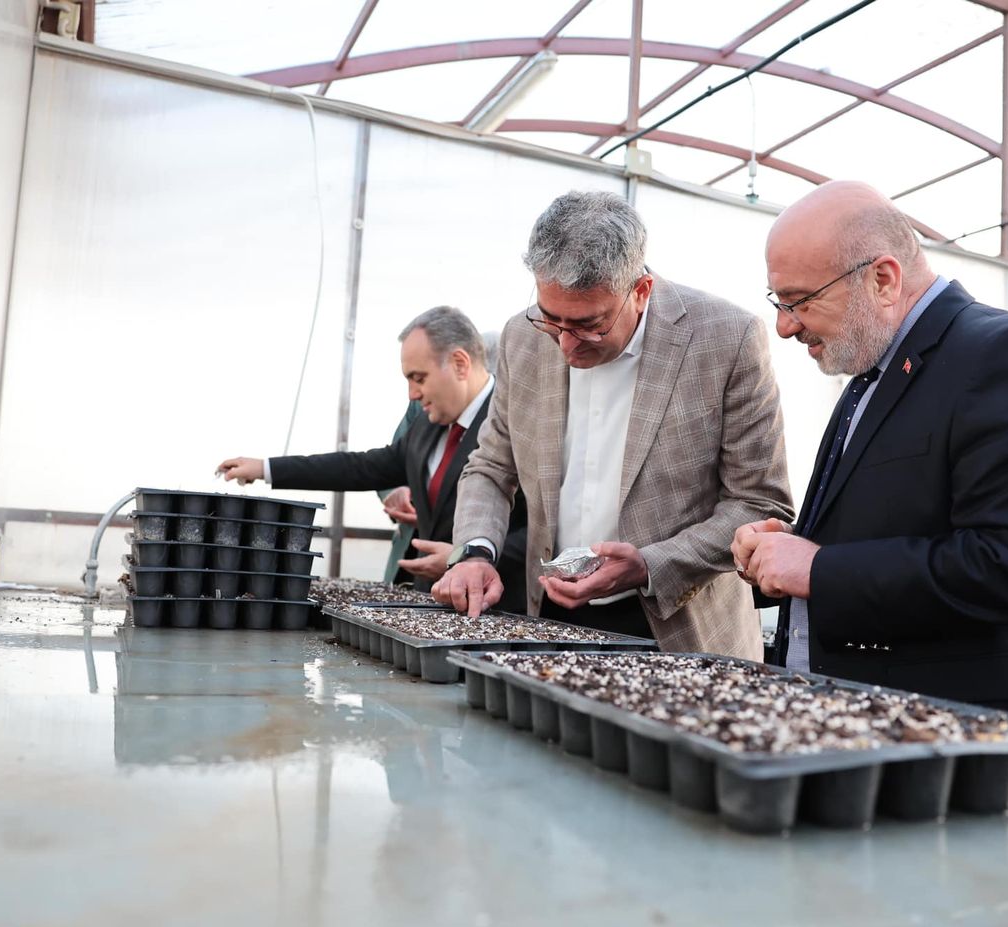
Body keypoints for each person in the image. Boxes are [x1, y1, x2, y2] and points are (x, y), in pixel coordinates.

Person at [732, 180, 1008, 725]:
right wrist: (787, 554)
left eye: (800, 301)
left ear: (883, 278)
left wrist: (821, 568)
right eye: (778, 303)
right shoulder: (870, 375)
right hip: (879, 728)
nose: (784, 326)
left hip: (968, 745)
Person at [434, 190, 792, 657]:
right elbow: (490, 467)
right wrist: (475, 553)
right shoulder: (521, 339)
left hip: (678, 632)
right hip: (553, 622)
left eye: (589, 325)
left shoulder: (726, 339)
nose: (565, 345)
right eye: (551, 320)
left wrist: (648, 565)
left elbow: (758, 502)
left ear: (640, 292)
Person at [216, 306, 526, 606]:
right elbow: (362, 467)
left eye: (419, 378)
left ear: (460, 364)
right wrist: (266, 468)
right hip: (430, 606)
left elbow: (543, 534)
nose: (412, 394)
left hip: (495, 611)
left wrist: (470, 557)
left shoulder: (519, 424)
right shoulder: (426, 427)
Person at [377, 401, 422, 584]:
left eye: (419, 378)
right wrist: (396, 496)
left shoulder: (502, 400)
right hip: (408, 549)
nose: (414, 392)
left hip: (460, 564)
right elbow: (389, 467)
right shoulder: (419, 405)